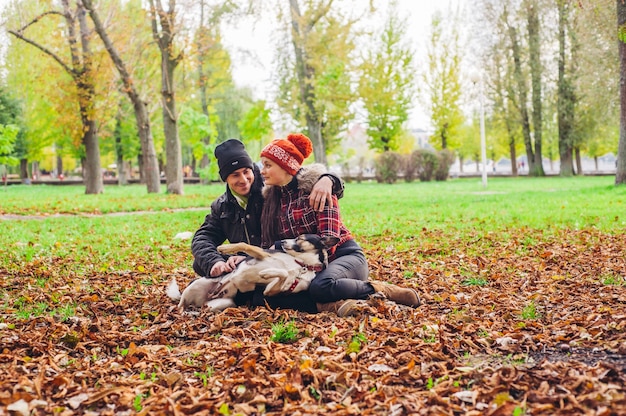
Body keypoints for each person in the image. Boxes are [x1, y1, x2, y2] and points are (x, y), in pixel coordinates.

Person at [191, 139, 359, 315]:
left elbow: (300, 176)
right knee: (206, 267)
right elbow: (203, 237)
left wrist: (329, 179)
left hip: (298, 257)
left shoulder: (270, 188)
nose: (244, 180)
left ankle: (335, 301)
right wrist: (216, 261)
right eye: (235, 175)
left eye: (246, 171)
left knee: (316, 286)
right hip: (270, 258)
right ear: (225, 178)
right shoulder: (223, 205)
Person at [259, 133, 420, 308]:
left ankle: (381, 290)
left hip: (343, 256)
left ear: (286, 167)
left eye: (268, 165)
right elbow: (267, 245)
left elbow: (328, 241)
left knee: (320, 287)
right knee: (262, 296)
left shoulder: (318, 189)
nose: (262, 171)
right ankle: (338, 304)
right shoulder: (272, 200)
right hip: (305, 265)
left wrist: (291, 259)